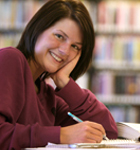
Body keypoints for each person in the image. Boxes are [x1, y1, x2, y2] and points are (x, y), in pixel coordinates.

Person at [0, 0, 118, 149]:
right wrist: (62, 135)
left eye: (75, 46)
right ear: (38, 28)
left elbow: (108, 133)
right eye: (59, 36)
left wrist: (65, 82)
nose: (65, 51)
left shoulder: (48, 96)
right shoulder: (10, 59)